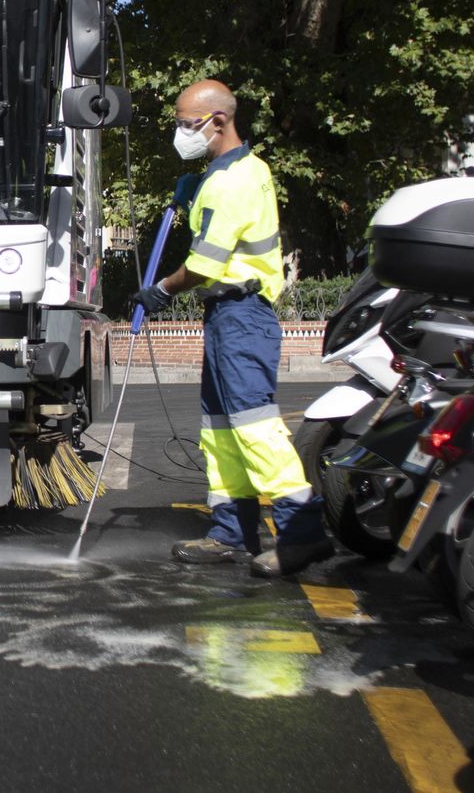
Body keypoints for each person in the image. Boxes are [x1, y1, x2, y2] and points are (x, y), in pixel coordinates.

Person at [132, 79, 331, 578]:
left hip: (242, 314)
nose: (180, 133)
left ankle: (302, 532)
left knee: (254, 426)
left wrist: (161, 290)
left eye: (185, 123)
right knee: (221, 429)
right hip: (229, 316)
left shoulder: (230, 182)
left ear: (217, 121)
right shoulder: (240, 169)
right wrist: (193, 189)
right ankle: (231, 531)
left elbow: (204, 264)